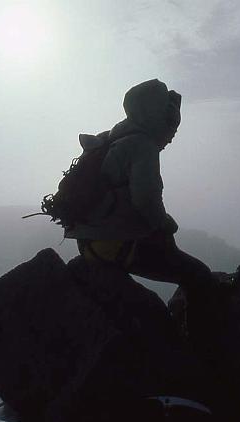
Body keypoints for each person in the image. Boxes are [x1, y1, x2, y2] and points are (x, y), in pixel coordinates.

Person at [65, 79, 215, 298]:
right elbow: (145, 200)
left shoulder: (110, 139)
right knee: (198, 274)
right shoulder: (142, 146)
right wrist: (164, 223)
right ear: (155, 117)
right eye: (170, 123)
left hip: (88, 242)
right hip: (113, 245)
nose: (173, 134)